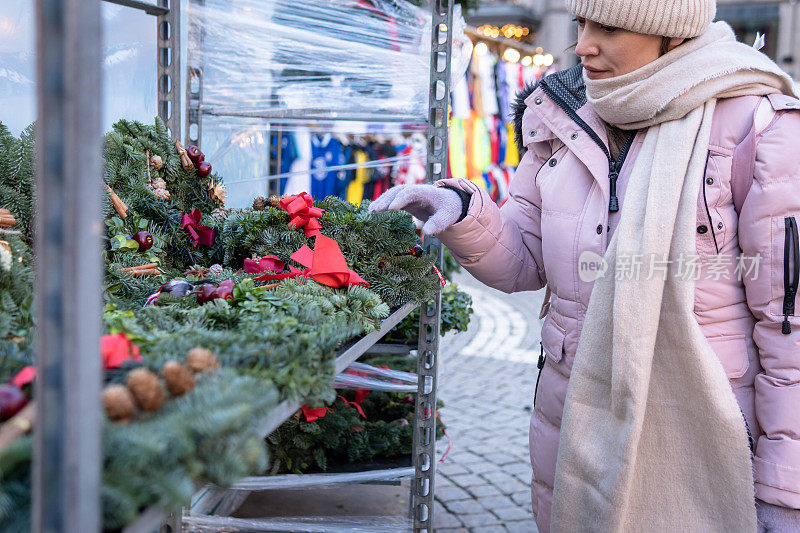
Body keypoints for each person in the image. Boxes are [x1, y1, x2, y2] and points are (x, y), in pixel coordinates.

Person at [370, 0, 800, 531]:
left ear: (670, 34)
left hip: (700, 431)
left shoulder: (756, 127)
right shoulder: (562, 115)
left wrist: (784, 489)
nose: (582, 44)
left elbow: (789, 330)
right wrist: (464, 211)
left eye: (609, 27)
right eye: (581, 22)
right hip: (573, 419)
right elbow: (525, 260)